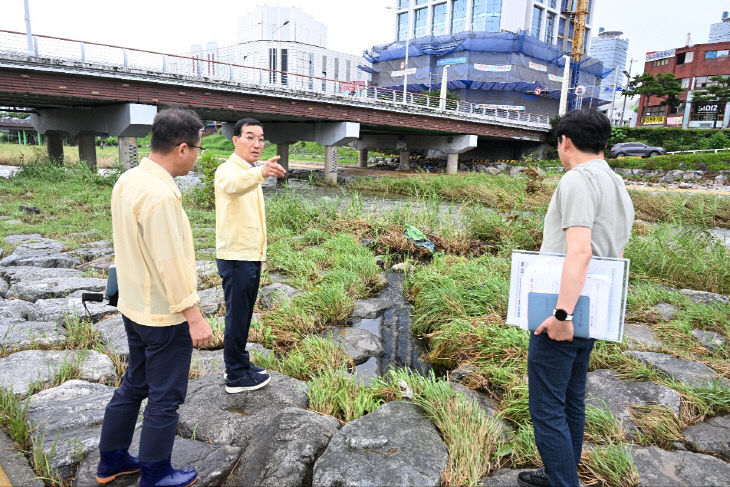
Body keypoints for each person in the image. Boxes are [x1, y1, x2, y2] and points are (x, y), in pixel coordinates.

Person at [96, 109, 213, 487]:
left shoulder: (129, 179)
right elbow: (170, 263)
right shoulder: (161, 195)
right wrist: (194, 317)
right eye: (197, 148)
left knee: (135, 384)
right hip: (163, 315)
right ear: (181, 148)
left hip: (133, 304)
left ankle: (111, 460)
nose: (197, 156)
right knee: (165, 398)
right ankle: (156, 473)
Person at [518, 110, 634, 487]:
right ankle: (558, 473)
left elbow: (580, 251)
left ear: (565, 140)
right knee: (571, 399)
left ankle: (563, 482)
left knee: (547, 407)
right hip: (594, 309)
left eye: (557, 142)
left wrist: (562, 314)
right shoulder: (615, 182)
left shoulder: (577, 180)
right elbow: (611, 253)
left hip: (567, 311)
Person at [215, 118, 286, 393]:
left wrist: (259, 171)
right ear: (235, 140)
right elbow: (233, 185)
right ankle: (234, 375)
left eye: (260, 138)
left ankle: (240, 363)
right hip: (236, 256)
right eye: (249, 137)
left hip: (249, 255)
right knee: (237, 315)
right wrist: (262, 173)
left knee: (243, 315)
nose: (257, 144)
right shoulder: (227, 170)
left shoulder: (250, 170)